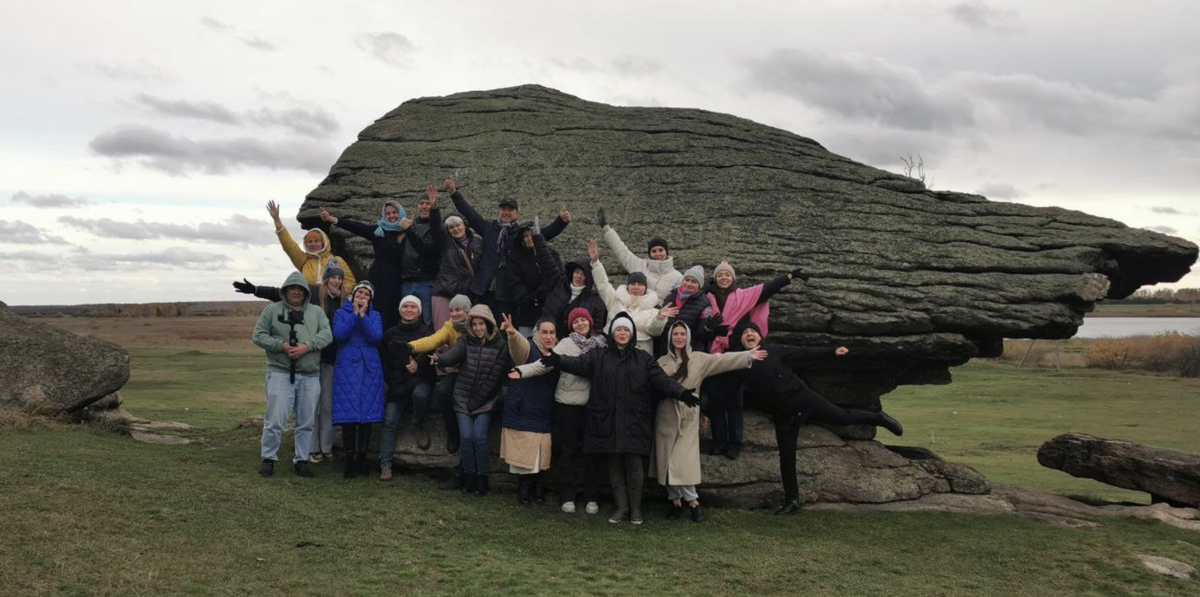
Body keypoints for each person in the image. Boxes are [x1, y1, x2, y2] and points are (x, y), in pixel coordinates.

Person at [731, 321, 904, 515]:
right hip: (783, 414)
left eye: (752, 331)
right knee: (786, 457)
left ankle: (878, 418)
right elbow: (718, 370)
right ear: (739, 340)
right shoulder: (739, 363)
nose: (749, 334)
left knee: (842, 417)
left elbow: (802, 352)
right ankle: (792, 501)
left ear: (760, 336)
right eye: (744, 333)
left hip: (804, 399)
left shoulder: (772, 350)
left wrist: (832, 351)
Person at [541, 313, 696, 525]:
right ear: (613, 333)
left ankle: (636, 510)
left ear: (631, 334)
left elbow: (661, 380)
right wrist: (557, 360)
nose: (622, 333)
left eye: (626, 330)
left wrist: (682, 393)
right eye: (618, 330)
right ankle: (621, 507)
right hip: (607, 420)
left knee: (634, 468)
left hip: (634, 421)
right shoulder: (599, 355)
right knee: (614, 467)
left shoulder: (643, 358)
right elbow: (578, 364)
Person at [234, 260, 345, 462]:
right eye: (333, 276)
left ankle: (314, 453)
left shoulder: (339, 302)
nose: (336, 280)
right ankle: (286, 455)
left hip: (321, 362)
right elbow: (262, 329)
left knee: (318, 411)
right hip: (289, 366)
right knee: (290, 415)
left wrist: (308, 346)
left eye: (340, 277)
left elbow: (329, 333)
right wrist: (256, 290)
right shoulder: (297, 299)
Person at [654, 322, 766, 522]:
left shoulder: (698, 358)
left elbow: (722, 360)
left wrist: (747, 356)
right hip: (665, 414)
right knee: (666, 461)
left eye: (682, 334)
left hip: (688, 415)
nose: (679, 337)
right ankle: (676, 502)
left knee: (682, 461)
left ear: (687, 337)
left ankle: (694, 503)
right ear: (670, 337)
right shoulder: (661, 361)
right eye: (675, 334)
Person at [703, 264, 805, 460]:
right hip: (715, 354)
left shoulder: (744, 296)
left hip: (738, 354)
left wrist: (790, 276)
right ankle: (718, 441)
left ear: (733, 278)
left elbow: (766, 289)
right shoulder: (708, 298)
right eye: (720, 275)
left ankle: (734, 443)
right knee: (716, 400)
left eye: (727, 275)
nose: (724, 277)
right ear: (715, 278)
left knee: (734, 401)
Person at [510, 307, 604, 515]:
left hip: (591, 405)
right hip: (567, 404)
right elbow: (543, 364)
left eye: (583, 320)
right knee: (568, 453)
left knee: (591, 454)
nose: (580, 323)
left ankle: (591, 496)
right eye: (576, 321)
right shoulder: (565, 344)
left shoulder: (600, 344)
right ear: (571, 325)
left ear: (590, 322)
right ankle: (567, 496)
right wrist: (522, 371)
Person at [445, 177, 570, 318]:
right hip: (483, 288)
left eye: (510, 209)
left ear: (518, 214)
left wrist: (561, 221)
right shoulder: (488, 228)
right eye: (503, 209)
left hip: (507, 291)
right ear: (498, 211)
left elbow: (543, 234)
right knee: (481, 324)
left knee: (504, 327)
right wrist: (454, 193)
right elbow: (469, 213)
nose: (506, 212)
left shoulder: (520, 233)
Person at [250, 270, 333, 478]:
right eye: (292, 288)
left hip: (310, 373)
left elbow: (326, 334)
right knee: (275, 419)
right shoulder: (272, 310)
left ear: (306, 292)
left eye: (300, 289)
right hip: (280, 371)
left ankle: (301, 460)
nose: (296, 292)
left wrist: (307, 346)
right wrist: (281, 345)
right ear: (285, 290)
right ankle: (268, 458)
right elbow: (258, 335)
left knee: (306, 421)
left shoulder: (316, 312)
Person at [430, 303, 512, 496]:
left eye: (481, 324)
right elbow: (453, 355)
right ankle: (468, 476)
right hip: (463, 397)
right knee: (466, 437)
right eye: (474, 324)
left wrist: (477, 402)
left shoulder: (500, 345)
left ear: (489, 324)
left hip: (485, 399)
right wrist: (439, 359)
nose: (478, 328)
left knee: (479, 437)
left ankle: (481, 478)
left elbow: (495, 378)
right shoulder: (466, 341)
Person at [319, 194, 419, 331]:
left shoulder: (408, 230)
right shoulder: (378, 231)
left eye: (394, 212)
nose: (391, 216)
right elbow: (356, 226)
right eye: (388, 213)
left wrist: (409, 229)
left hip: (397, 278)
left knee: (394, 311)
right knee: (377, 309)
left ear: (400, 212)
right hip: (379, 276)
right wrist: (333, 219)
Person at [408, 294, 473, 470]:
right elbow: (432, 341)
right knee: (443, 392)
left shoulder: (477, 325)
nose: (454, 313)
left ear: (467, 310)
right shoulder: (449, 327)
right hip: (455, 370)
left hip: (474, 373)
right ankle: (452, 431)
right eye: (451, 310)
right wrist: (411, 346)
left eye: (458, 310)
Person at [500, 316, 559, 505]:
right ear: (536, 333)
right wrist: (512, 333)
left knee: (541, 456)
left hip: (544, 411)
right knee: (524, 457)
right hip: (523, 408)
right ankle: (524, 491)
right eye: (544, 332)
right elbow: (519, 347)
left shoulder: (557, 354)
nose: (548, 336)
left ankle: (537, 490)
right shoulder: (529, 349)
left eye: (552, 332)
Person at [378, 295, 435, 480]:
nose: (409, 310)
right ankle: (385, 464)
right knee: (389, 420)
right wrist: (393, 380)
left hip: (419, 380)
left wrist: (418, 364)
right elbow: (384, 362)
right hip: (397, 385)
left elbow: (430, 354)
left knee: (421, 394)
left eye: (413, 307)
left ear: (419, 311)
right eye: (405, 306)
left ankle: (417, 425)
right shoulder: (390, 333)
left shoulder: (428, 331)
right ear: (400, 310)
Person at [332, 281, 385, 478]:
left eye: (366, 295)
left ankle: (361, 458)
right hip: (347, 366)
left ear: (370, 299)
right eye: (359, 293)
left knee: (366, 413)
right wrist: (354, 314)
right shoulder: (341, 313)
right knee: (349, 414)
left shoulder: (375, 315)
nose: (362, 297)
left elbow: (375, 336)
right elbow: (340, 334)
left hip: (370, 366)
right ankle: (349, 460)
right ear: (353, 296)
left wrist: (363, 315)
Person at [588, 238, 673, 354]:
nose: (636, 287)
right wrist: (596, 262)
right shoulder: (615, 300)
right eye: (633, 284)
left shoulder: (653, 310)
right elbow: (603, 284)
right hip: (613, 349)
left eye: (640, 284)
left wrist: (659, 318)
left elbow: (655, 331)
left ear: (646, 288)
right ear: (628, 286)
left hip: (640, 352)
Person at [414, 196, 481, 328]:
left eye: (458, 225)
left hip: (467, 293)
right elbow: (436, 228)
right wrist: (434, 209)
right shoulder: (445, 242)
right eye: (451, 227)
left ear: (464, 225)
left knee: (464, 332)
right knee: (442, 330)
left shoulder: (478, 242)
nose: (455, 229)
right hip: (444, 291)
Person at [267, 200, 355, 295]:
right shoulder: (303, 260)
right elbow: (289, 246)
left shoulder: (336, 260)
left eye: (316, 241)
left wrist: (336, 292)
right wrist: (277, 220)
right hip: (309, 303)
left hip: (332, 304)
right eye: (310, 242)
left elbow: (351, 283)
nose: (313, 244)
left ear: (323, 242)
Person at [598, 208, 683, 299]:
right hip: (638, 311)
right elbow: (621, 250)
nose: (658, 253)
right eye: (653, 251)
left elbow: (678, 301)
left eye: (661, 250)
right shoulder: (640, 266)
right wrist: (606, 228)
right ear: (649, 254)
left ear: (666, 251)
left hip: (663, 312)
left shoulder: (678, 277)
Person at [535, 231, 607, 338]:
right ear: (572, 272)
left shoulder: (596, 303)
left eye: (583, 274)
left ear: (589, 278)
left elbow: (596, 332)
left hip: (573, 345)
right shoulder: (558, 283)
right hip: (545, 335)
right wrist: (537, 238)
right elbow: (547, 263)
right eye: (577, 272)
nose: (579, 276)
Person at [655, 266, 714, 356]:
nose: (689, 284)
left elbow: (702, 336)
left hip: (689, 351)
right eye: (687, 280)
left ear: (700, 285)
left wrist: (708, 328)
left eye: (694, 281)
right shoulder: (670, 297)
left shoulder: (705, 303)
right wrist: (659, 315)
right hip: (665, 349)